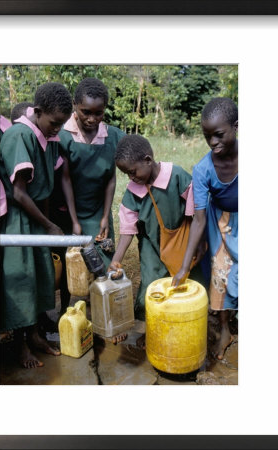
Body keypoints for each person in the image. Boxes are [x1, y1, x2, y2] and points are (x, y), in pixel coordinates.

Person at [0, 82, 77, 368]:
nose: (57, 129)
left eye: (61, 125)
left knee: (39, 278)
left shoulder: (48, 135)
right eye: (54, 123)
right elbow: (19, 193)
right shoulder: (19, 135)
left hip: (36, 220)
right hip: (19, 221)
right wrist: (49, 225)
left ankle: (33, 336)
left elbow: (46, 182)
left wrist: (48, 225)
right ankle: (20, 346)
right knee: (20, 282)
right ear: (39, 112)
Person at [108, 134, 201, 348]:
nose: (131, 178)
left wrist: (199, 245)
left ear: (148, 160)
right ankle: (151, 329)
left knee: (187, 281)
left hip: (181, 237)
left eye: (133, 172)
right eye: (126, 174)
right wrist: (116, 259)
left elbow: (196, 212)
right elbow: (127, 229)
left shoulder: (176, 176)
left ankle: (187, 322)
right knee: (151, 286)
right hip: (151, 244)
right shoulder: (133, 190)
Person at [172, 97, 238, 361]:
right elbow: (198, 219)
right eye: (207, 136)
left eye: (219, 134)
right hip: (220, 221)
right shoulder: (202, 169)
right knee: (221, 273)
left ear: (236, 126)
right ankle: (224, 328)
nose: (213, 142)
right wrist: (184, 266)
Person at [58, 77, 125, 269]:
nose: (92, 119)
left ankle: (99, 298)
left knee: (102, 262)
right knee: (74, 265)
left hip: (99, 210)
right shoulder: (62, 136)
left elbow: (111, 179)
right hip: (70, 211)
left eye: (99, 113)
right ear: (75, 106)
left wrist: (105, 216)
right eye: (85, 112)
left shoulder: (112, 136)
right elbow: (66, 179)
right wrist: (74, 221)